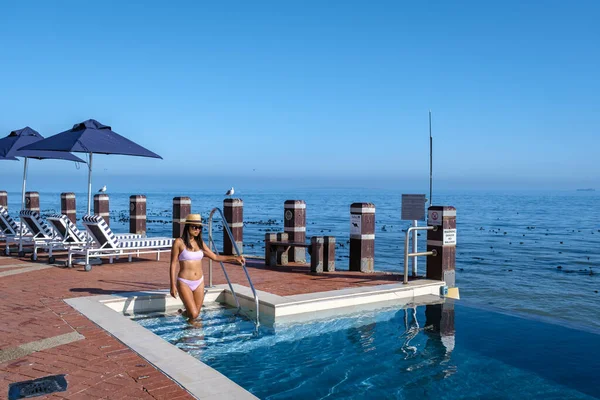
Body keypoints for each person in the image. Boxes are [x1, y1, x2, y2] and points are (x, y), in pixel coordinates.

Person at [170, 213, 244, 321]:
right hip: (184, 282)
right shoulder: (178, 242)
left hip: (199, 282)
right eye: (194, 227)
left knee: (196, 314)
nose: (197, 230)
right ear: (187, 227)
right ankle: (184, 315)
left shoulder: (200, 243)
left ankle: (188, 335)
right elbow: (173, 264)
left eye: (199, 228)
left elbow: (215, 257)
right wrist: (172, 285)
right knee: (194, 314)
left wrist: (235, 258)